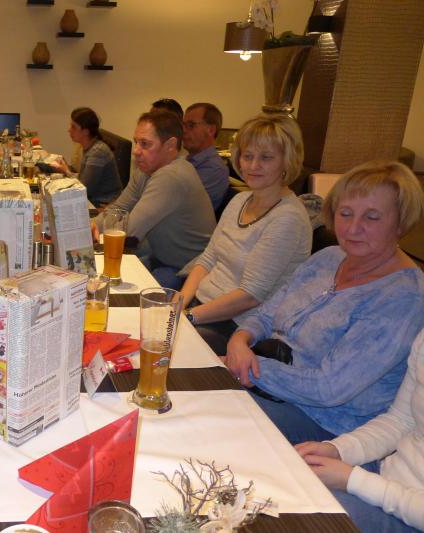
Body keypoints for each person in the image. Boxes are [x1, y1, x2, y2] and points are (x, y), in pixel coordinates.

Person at [225, 160, 424, 444]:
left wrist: (249, 366)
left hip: (326, 423)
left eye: (372, 217)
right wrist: (239, 340)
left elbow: (328, 389)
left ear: (400, 222)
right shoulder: (328, 258)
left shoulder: (404, 297)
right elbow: (268, 314)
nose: (353, 228)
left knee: (212, 417)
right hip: (268, 380)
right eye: (345, 213)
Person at [178, 114, 311, 355]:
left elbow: (250, 296)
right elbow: (207, 259)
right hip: (201, 308)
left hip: (237, 325)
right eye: (248, 156)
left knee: (161, 347)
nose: (253, 166)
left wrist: (186, 317)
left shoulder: (287, 218)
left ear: (287, 161)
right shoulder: (240, 200)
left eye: (266, 157)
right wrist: (178, 303)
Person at [296, 328, 424, 532]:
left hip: (409, 513)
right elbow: (401, 420)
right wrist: (338, 450)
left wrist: (354, 480)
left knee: (308, 515)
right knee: (290, 481)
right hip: (384, 477)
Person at [92, 110, 216, 289]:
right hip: (161, 256)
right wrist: (92, 225)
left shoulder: (171, 176)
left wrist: (93, 231)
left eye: (145, 144)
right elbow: (118, 210)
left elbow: (129, 233)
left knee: (112, 290)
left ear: (170, 145)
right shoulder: (146, 169)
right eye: (136, 142)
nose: (136, 151)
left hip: (187, 269)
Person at [53, 107, 122, 207]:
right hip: (95, 200)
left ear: (85, 131)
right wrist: (66, 171)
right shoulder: (90, 147)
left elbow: (84, 189)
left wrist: (66, 173)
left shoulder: (97, 152)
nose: (69, 130)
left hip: (103, 205)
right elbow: (83, 180)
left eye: (73, 127)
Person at [182, 103, 230, 210]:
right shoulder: (187, 161)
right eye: (183, 125)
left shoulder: (214, 169)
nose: (184, 130)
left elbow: (181, 208)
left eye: (191, 125)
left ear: (211, 130)